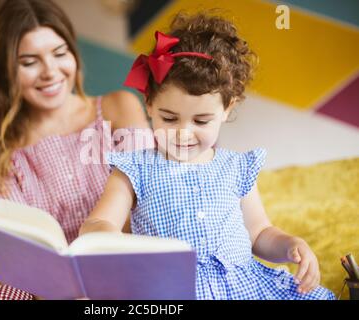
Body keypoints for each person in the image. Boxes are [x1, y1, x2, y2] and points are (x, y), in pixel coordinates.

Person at [79, 12, 336, 300]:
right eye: (169, 118)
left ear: (227, 108)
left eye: (200, 121)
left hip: (244, 288)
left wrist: (291, 245)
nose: (183, 133)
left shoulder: (236, 167)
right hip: (170, 290)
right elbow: (97, 223)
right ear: (149, 104)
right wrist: (107, 237)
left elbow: (260, 233)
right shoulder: (134, 168)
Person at [0, 0, 149, 300]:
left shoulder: (119, 106)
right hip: (44, 287)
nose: (50, 71)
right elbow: (14, 261)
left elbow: (150, 199)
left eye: (59, 53)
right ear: (6, 71)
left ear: (74, 54)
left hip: (124, 264)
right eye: (29, 61)